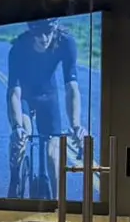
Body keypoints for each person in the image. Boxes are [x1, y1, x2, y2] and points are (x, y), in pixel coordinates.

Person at [6, 17, 85, 199]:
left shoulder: (65, 42)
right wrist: (16, 127)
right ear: (31, 32)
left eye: (48, 32)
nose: (44, 38)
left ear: (55, 28)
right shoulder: (18, 48)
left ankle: (57, 204)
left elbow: (71, 88)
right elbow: (14, 94)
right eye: (38, 33)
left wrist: (75, 125)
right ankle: (15, 178)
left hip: (48, 96)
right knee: (23, 134)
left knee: (53, 154)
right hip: (23, 96)